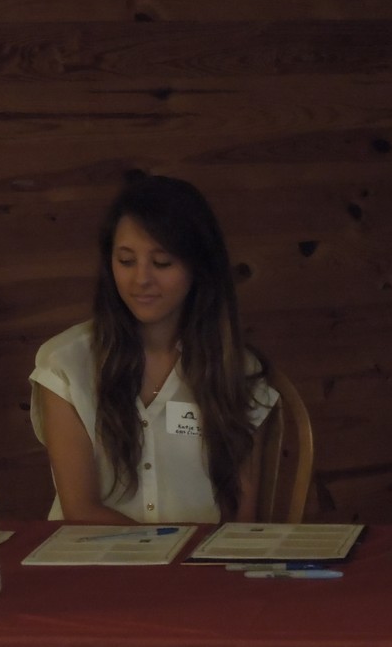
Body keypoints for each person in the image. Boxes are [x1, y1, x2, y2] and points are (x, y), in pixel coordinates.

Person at [29, 174, 278, 524]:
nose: (141, 279)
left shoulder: (238, 371)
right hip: (93, 555)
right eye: (126, 261)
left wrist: (184, 557)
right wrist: (164, 551)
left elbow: (240, 519)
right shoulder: (66, 363)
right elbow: (80, 511)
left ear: (199, 267)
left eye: (162, 263)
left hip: (199, 559)